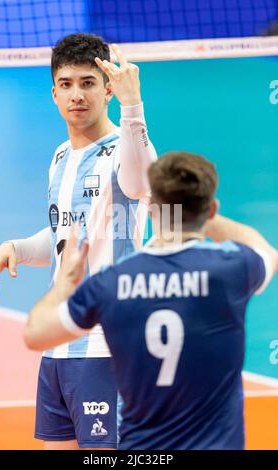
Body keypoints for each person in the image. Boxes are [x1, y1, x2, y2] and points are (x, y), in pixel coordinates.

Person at [24, 151, 277, 450]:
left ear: (152, 208)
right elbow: (266, 252)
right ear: (210, 210)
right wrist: (201, 213)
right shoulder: (232, 270)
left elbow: (35, 335)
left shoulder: (112, 281)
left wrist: (63, 285)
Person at [0, 33, 157, 450]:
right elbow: (68, 236)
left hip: (105, 345)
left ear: (108, 88)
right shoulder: (61, 156)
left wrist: (134, 108)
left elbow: (142, 178)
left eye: (88, 82)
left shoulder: (123, 150)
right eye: (66, 84)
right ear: (54, 93)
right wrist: (20, 248)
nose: (76, 94)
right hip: (58, 348)